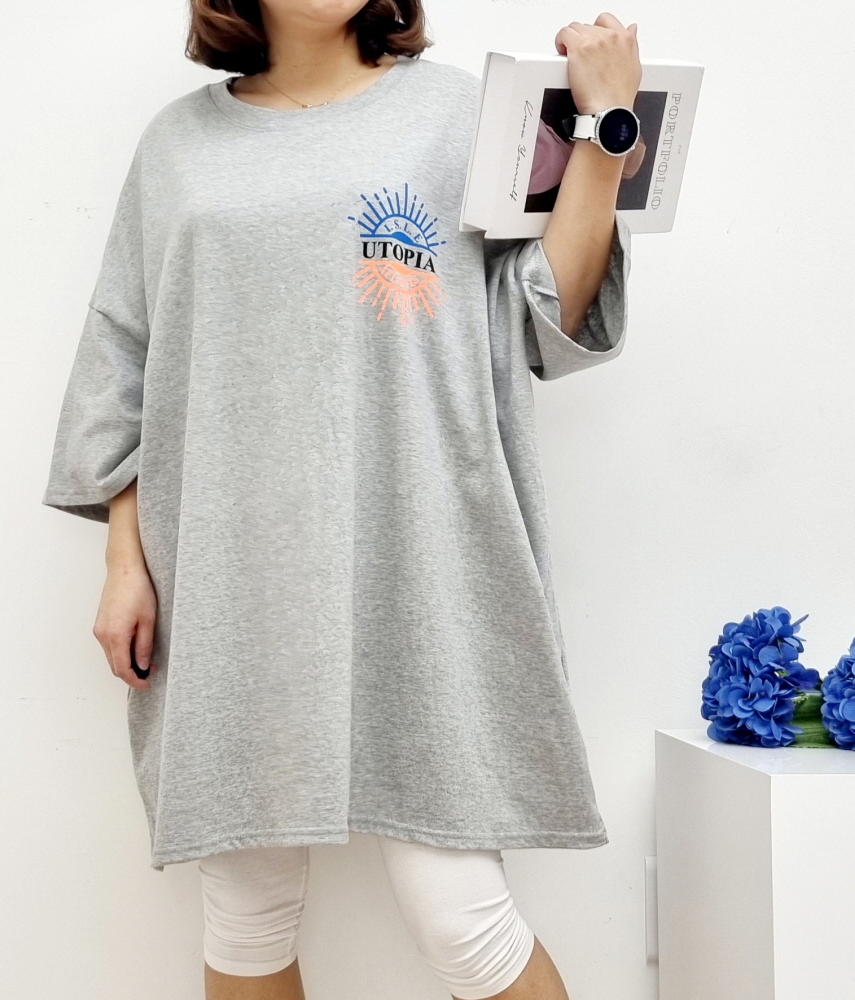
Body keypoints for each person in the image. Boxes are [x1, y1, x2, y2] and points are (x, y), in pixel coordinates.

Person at [41, 2, 640, 997]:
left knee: (462, 918)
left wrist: (604, 132)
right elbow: (125, 353)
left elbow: (545, 319)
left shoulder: (461, 117)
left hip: (423, 548)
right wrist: (122, 560)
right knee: (246, 910)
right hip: (230, 562)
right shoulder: (178, 145)